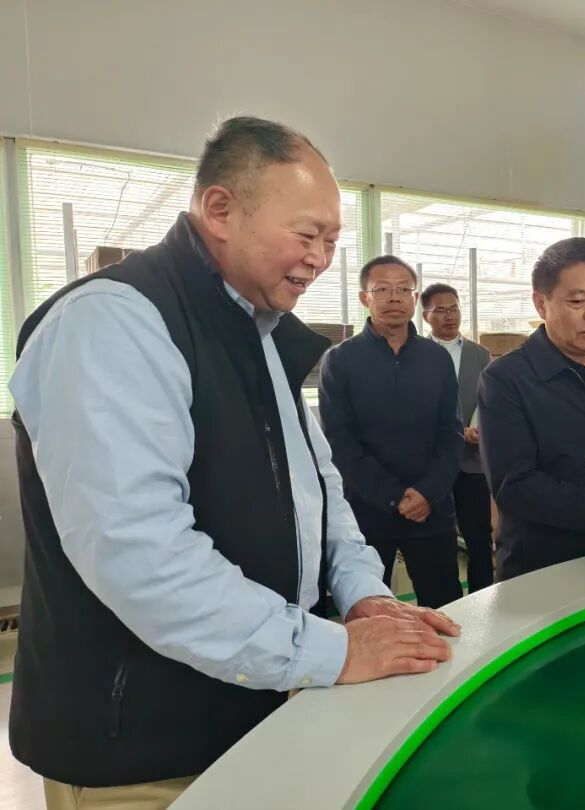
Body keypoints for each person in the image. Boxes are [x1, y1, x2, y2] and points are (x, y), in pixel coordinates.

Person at [8, 116, 458, 810]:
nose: (319, 259)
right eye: (306, 235)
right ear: (220, 209)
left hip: (256, 710)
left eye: (332, 241)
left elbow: (317, 490)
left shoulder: (256, 330)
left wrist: (364, 594)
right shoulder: (112, 322)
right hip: (142, 748)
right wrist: (336, 651)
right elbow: (141, 554)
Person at [477, 237, 585, 581]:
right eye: (577, 300)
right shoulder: (506, 379)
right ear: (541, 304)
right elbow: (516, 486)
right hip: (544, 568)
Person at [319, 257, 465, 609]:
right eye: (382, 289)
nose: (394, 297)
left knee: (446, 607)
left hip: (432, 510)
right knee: (374, 610)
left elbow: (451, 432)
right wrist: (394, 496)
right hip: (367, 511)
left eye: (403, 289)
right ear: (364, 298)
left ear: (414, 298)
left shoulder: (436, 358)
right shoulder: (340, 360)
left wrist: (427, 493)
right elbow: (340, 441)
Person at [422, 283, 495, 593]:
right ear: (425, 316)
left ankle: (484, 596)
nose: (449, 316)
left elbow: (489, 399)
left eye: (453, 309)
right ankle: (448, 600)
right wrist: (455, 431)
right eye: (440, 310)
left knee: (478, 534)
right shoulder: (417, 354)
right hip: (432, 462)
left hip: (472, 461)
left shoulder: (480, 354)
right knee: (438, 538)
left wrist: (478, 428)